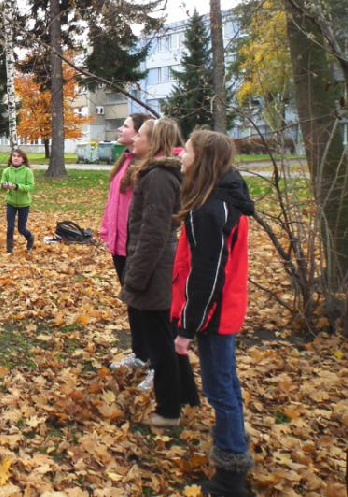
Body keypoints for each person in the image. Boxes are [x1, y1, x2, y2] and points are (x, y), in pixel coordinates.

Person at [171, 131, 255, 496]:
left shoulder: (209, 211)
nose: (181, 154)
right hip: (223, 310)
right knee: (227, 385)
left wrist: (187, 328)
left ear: (201, 159)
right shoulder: (217, 201)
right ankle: (233, 440)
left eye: (186, 150)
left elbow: (206, 275)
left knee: (220, 389)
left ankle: (231, 473)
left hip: (214, 315)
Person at [121, 118, 199, 427]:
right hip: (157, 265)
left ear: (152, 142)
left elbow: (153, 233)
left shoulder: (157, 178)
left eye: (140, 135)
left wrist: (135, 277)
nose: (135, 139)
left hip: (155, 269)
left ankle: (168, 410)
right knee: (166, 336)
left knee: (160, 343)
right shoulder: (158, 174)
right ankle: (187, 397)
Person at [100, 113, 154, 389]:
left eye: (126, 126)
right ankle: (141, 353)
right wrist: (106, 231)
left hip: (137, 245)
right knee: (132, 301)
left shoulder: (150, 167)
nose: (120, 128)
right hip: (119, 244)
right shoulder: (126, 159)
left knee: (148, 305)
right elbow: (114, 201)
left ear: (141, 133)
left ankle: (158, 363)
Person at [0, 149, 35, 253]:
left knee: (21, 229)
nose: (15, 158)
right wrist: (3, 186)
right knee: (10, 227)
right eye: (14, 155)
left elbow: (30, 187)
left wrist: (17, 186)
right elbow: (1, 186)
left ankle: (30, 237)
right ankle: (9, 250)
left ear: (23, 159)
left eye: (18, 156)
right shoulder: (6, 171)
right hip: (10, 203)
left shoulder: (28, 171)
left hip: (24, 204)